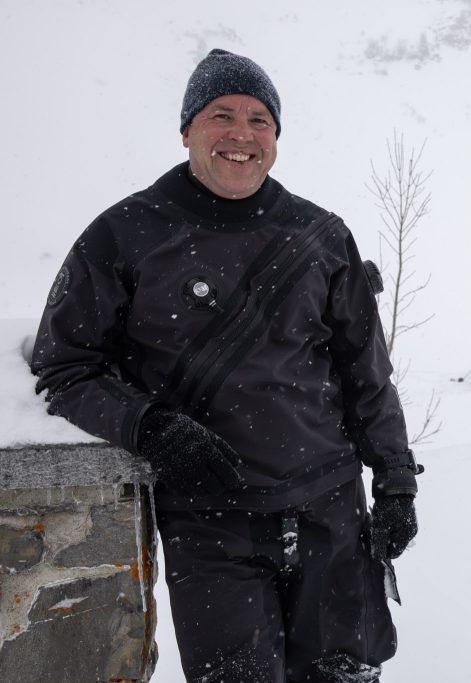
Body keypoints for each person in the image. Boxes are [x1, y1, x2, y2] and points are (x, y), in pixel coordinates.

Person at [30, 49, 421, 683]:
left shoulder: (321, 234)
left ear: (276, 137)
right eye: (222, 116)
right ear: (188, 130)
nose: (241, 134)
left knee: (344, 675)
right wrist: (152, 427)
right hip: (211, 524)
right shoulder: (123, 234)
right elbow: (66, 366)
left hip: (332, 512)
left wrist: (397, 480)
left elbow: (366, 375)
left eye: (259, 120)